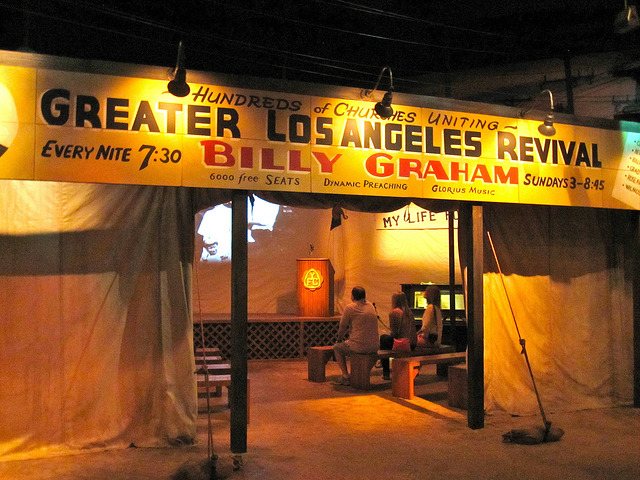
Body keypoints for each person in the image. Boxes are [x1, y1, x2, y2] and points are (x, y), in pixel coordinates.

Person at [333, 286, 379, 386]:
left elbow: (342, 327)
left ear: (352, 296)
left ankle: (345, 376)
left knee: (337, 348)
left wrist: (339, 339)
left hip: (359, 346)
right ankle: (362, 374)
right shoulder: (370, 305)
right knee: (352, 343)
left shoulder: (350, 308)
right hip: (374, 345)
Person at [379, 291, 418, 380]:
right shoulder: (409, 312)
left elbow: (394, 334)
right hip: (412, 343)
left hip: (403, 344)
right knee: (385, 339)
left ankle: (385, 371)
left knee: (383, 339)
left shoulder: (394, 313)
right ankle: (383, 367)